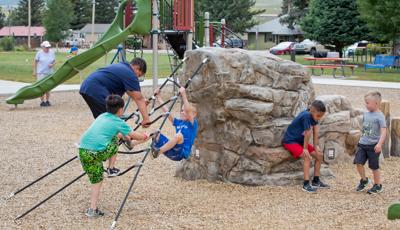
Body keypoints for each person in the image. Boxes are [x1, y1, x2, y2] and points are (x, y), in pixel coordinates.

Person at [79, 95, 150, 218]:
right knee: (115, 137)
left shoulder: (102, 116)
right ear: (121, 109)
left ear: (107, 107)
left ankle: (92, 209)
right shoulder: (118, 122)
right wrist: (145, 136)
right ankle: (111, 168)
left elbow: (115, 122)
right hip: (96, 153)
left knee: (97, 179)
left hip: (82, 151)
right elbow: (135, 135)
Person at [79, 57, 151, 127]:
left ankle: (104, 137)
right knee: (111, 117)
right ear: (137, 67)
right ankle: (114, 137)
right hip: (95, 89)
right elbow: (138, 98)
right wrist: (146, 119)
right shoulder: (130, 73)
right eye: (139, 75)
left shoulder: (122, 67)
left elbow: (132, 93)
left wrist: (142, 105)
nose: (137, 77)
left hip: (87, 86)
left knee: (102, 119)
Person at [283, 100, 329, 193]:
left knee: (319, 155)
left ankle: (316, 181)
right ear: (312, 111)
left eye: (321, 116)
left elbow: (315, 130)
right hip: (290, 141)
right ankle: (306, 184)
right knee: (307, 157)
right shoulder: (306, 116)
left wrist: (316, 146)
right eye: (318, 116)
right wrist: (305, 149)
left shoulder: (313, 117)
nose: (319, 118)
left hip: (300, 141)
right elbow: (308, 133)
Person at [150, 87, 198, 161]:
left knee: (179, 136)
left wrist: (184, 95)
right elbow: (167, 113)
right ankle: (132, 144)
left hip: (180, 153)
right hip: (170, 150)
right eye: (182, 110)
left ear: (194, 115)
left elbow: (189, 111)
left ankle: (157, 152)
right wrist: (158, 97)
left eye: (185, 111)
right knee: (155, 132)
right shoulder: (178, 123)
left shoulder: (192, 124)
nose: (182, 112)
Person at [354, 91, 387, 194]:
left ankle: (378, 185)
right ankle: (364, 180)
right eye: (365, 102)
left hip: (373, 146)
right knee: (358, 162)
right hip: (362, 144)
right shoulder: (366, 114)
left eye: (368, 103)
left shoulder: (380, 116)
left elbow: (384, 131)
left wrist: (379, 144)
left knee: (374, 166)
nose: (366, 104)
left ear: (376, 103)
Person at [33, 41, 56, 107]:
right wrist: (34, 71)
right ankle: (42, 101)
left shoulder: (52, 52)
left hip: (49, 73)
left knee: (48, 87)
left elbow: (54, 61)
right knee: (41, 87)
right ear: (42, 47)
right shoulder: (39, 53)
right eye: (46, 47)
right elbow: (35, 62)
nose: (47, 48)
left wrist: (52, 64)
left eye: (48, 47)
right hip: (41, 73)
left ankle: (47, 101)